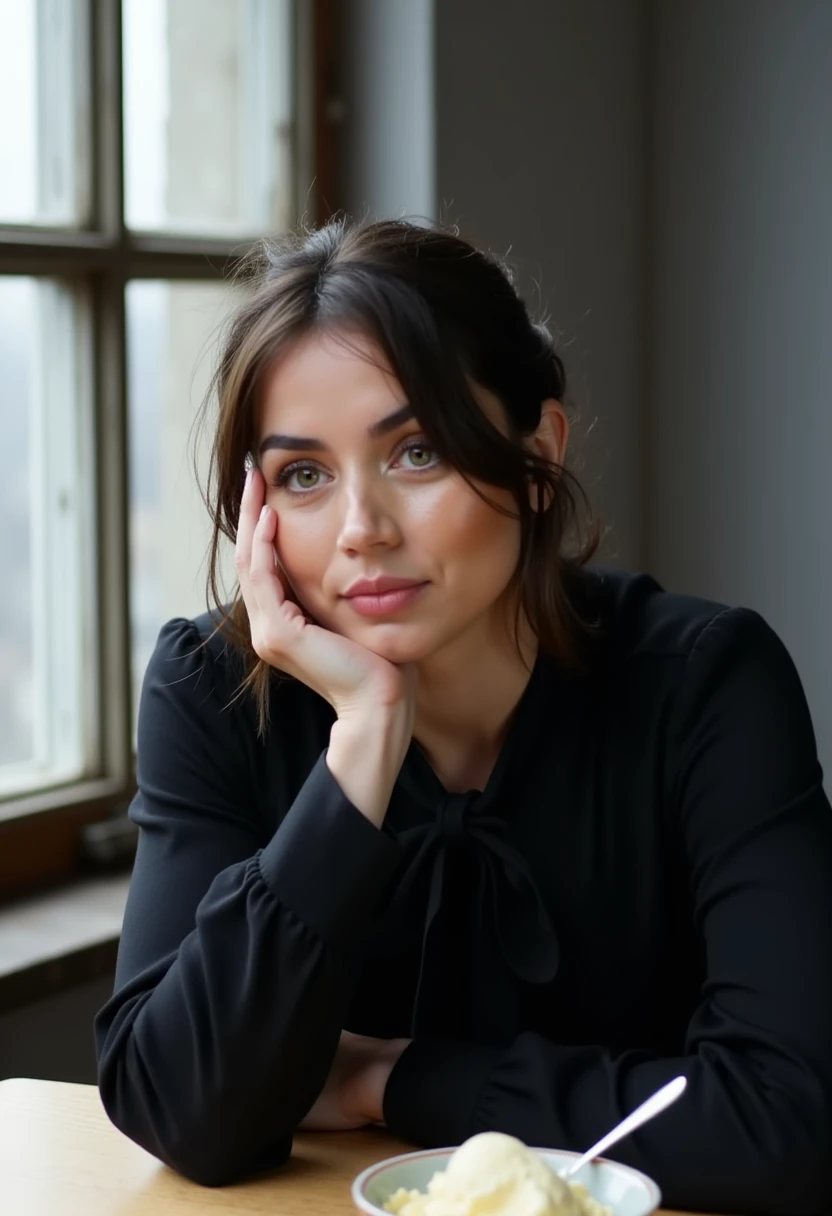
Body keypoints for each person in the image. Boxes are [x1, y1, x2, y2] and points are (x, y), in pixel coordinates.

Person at [94, 218, 832, 1215]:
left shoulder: (706, 685)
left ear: (536, 456)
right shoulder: (214, 689)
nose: (362, 529)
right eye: (303, 474)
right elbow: (180, 1111)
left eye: (417, 450)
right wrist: (360, 748)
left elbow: (787, 1121)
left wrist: (386, 1077)